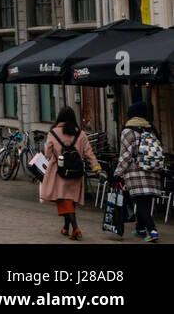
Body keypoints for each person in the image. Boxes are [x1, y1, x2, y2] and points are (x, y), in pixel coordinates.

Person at [39, 106, 101, 241]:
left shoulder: (53, 132)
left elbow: (48, 154)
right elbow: (88, 152)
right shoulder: (80, 133)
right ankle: (66, 227)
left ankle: (76, 228)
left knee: (63, 198)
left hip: (59, 171)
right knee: (70, 199)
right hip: (76, 171)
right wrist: (96, 167)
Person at [113, 100, 163, 242]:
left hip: (135, 172)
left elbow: (125, 156)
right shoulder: (151, 129)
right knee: (145, 201)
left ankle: (152, 230)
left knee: (139, 202)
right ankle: (140, 228)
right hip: (152, 170)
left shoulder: (128, 131)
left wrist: (118, 173)